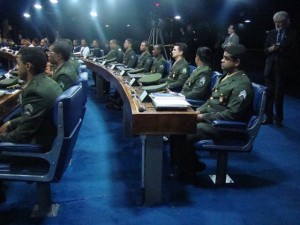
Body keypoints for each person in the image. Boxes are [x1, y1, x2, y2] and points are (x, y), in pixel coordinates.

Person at [170, 44, 253, 179]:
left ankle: (188, 168)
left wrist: (202, 116)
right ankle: (183, 164)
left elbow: (232, 115)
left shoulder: (242, 84)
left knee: (184, 132)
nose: (221, 60)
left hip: (222, 126)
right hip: (211, 119)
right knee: (176, 125)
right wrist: (197, 112)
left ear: (237, 62)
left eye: (226, 58)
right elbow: (210, 101)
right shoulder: (226, 76)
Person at [262, 11, 298, 128]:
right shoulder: (271, 33)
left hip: (282, 70)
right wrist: (271, 49)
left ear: (286, 22)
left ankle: (279, 118)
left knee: (279, 95)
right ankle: (268, 117)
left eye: (280, 22)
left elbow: (294, 53)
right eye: (275, 22)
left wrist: (279, 48)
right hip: (270, 69)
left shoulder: (293, 34)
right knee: (269, 94)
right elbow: (265, 50)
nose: (277, 24)